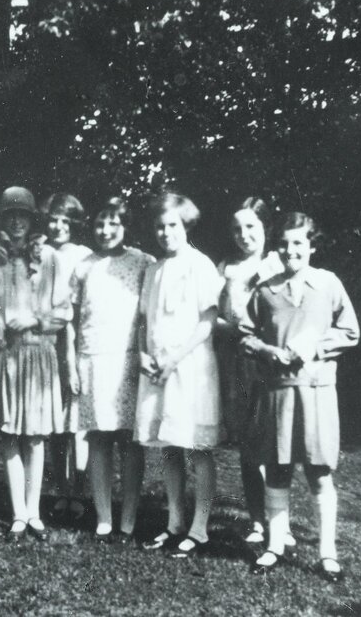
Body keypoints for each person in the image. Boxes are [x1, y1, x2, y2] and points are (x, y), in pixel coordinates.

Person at [240, 212, 359, 582]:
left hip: (316, 392)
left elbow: (350, 331)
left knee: (318, 472)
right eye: (285, 243)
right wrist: (266, 351)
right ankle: (275, 545)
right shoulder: (265, 290)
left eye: (299, 243)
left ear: (312, 246)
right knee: (277, 469)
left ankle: (327, 553)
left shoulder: (327, 284)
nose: (291, 250)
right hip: (278, 392)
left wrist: (315, 348)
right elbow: (245, 334)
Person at [0, 186, 72, 542]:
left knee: (35, 438)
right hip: (3, 356)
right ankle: (17, 515)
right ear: (2, 219)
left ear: (32, 220)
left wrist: (33, 321)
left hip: (37, 354)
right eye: (10, 215)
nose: (16, 222)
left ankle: (35, 513)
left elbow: (63, 312)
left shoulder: (51, 258)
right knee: (9, 435)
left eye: (23, 216)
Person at [134, 192, 223, 558]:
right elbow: (144, 320)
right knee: (168, 446)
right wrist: (143, 352)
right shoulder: (153, 269)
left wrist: (175, 359)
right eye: (159, 225)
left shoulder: (200, 265)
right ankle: (174, 522)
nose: (165, 231)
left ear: (185, 225)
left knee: (197, 448)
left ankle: (199, 528)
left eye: (172, 224)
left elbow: (207, 323)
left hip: (191, 368)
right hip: (156, 368)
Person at [72, 198, 154, 542]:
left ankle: (129, 517)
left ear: (125, 227)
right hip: (92, 358)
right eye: (99, 224)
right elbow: (71, 321)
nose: (105, 231)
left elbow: (150, 317)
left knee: (130, 442)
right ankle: (104, 516)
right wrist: (71, 362)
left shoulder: (143, 263)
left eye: (113, 224)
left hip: (128, 360)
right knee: (99, 438)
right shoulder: (84, 266)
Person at [215, 197, 294, 547]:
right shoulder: (225, 268)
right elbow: (211, 314)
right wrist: (232, 329)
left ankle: (282, 522)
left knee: (275, 443)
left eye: (251, 227)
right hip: (237, 362)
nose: (243, 235)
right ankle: (258, 521)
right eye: (237, 228)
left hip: (273, 362)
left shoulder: (281, 264)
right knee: (248, 444)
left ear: (265, 229)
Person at [39, 193, 92, 523]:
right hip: (45, 343)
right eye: (53, 219)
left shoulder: (84, 256)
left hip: (76, 342)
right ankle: (61, 490)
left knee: (79, 426)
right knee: (55, 425)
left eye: (64, 220)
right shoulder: (39, 252)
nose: (58, 226)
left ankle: (80, 491)